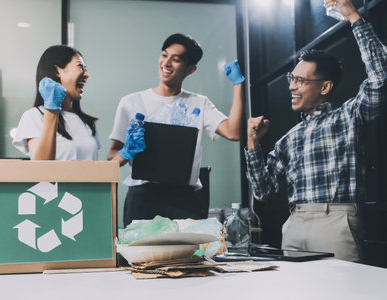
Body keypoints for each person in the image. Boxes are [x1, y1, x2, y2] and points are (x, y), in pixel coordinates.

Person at [245, 0, 386, 262]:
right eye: (291, 79)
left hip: (337, 221)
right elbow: (262, 191)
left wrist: (353, 16)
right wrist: (253, 144)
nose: (292, 87)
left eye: (300, 81)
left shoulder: (349, 116)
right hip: (295, 223)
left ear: (324, 87)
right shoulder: (290, 138)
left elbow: (380, 77)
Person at [107, 33, 245, 226]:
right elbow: (110, 161)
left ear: (191, 69)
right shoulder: (131, 102)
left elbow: (233, 132)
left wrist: (238, 84)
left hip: (185, 200)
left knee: (188, 255)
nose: (167, 62)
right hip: (143, 199)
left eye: (176, 59)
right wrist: (126, 152)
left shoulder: (199, 103)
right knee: (143, 256)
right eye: (164, 55)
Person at [13, 45, 100, 160]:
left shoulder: (87, 122)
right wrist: (52, 111)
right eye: (80, 67)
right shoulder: (34, 116)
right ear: (57, 71)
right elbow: (41, 168)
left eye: (86, 69)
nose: (86, 74)